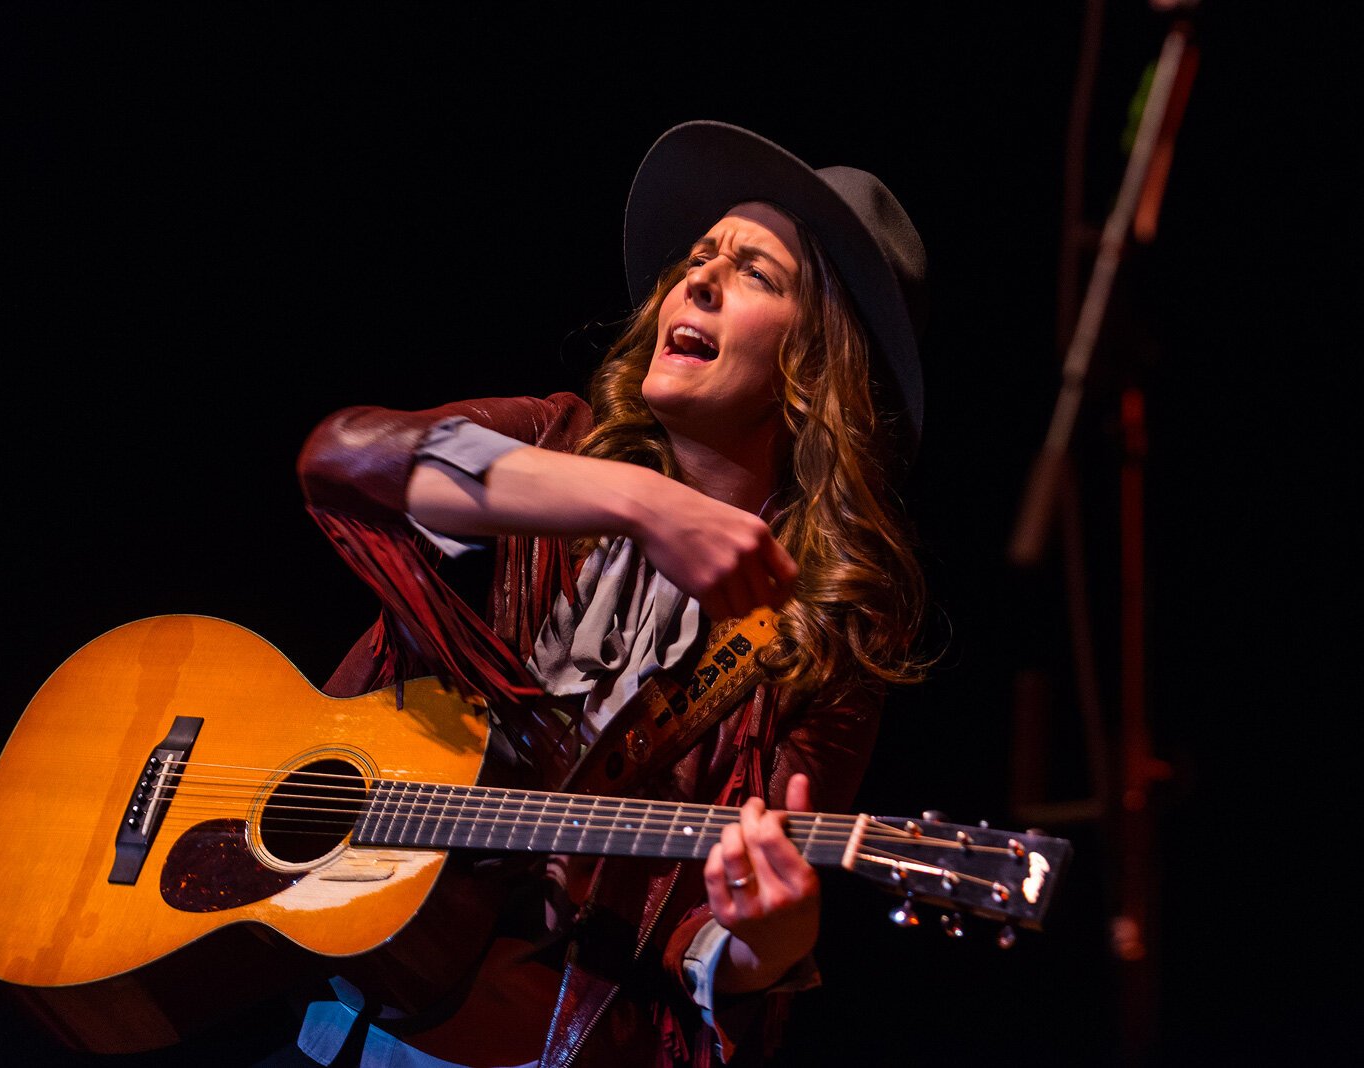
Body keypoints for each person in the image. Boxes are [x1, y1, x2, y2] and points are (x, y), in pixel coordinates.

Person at [288, 120, 931, 1068]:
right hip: (336, 1009)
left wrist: (768, 942)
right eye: (701, 255)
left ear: (815, 369)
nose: (699, 278)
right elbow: (345, 459)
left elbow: (697, 941)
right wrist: (638, 501)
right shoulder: (556, 450)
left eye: (756, 273)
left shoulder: (822, 632)